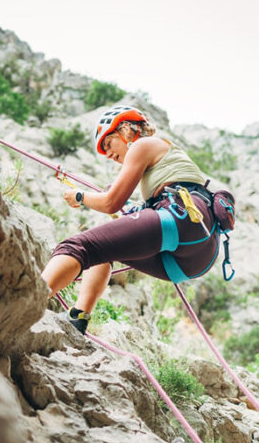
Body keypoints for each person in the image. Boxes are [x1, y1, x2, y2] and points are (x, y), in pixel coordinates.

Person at [41, 105, 220, 334]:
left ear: (126, 130)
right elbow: (120, 205)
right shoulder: (163, 162)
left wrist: (80, 196)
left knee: (76, 246)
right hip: (191, 258)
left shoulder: (143, 144)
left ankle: (28, 300)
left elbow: (110, 203)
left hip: (181, 221)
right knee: (103, 251)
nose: (110, 156)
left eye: (109, 144)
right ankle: (77, 321)